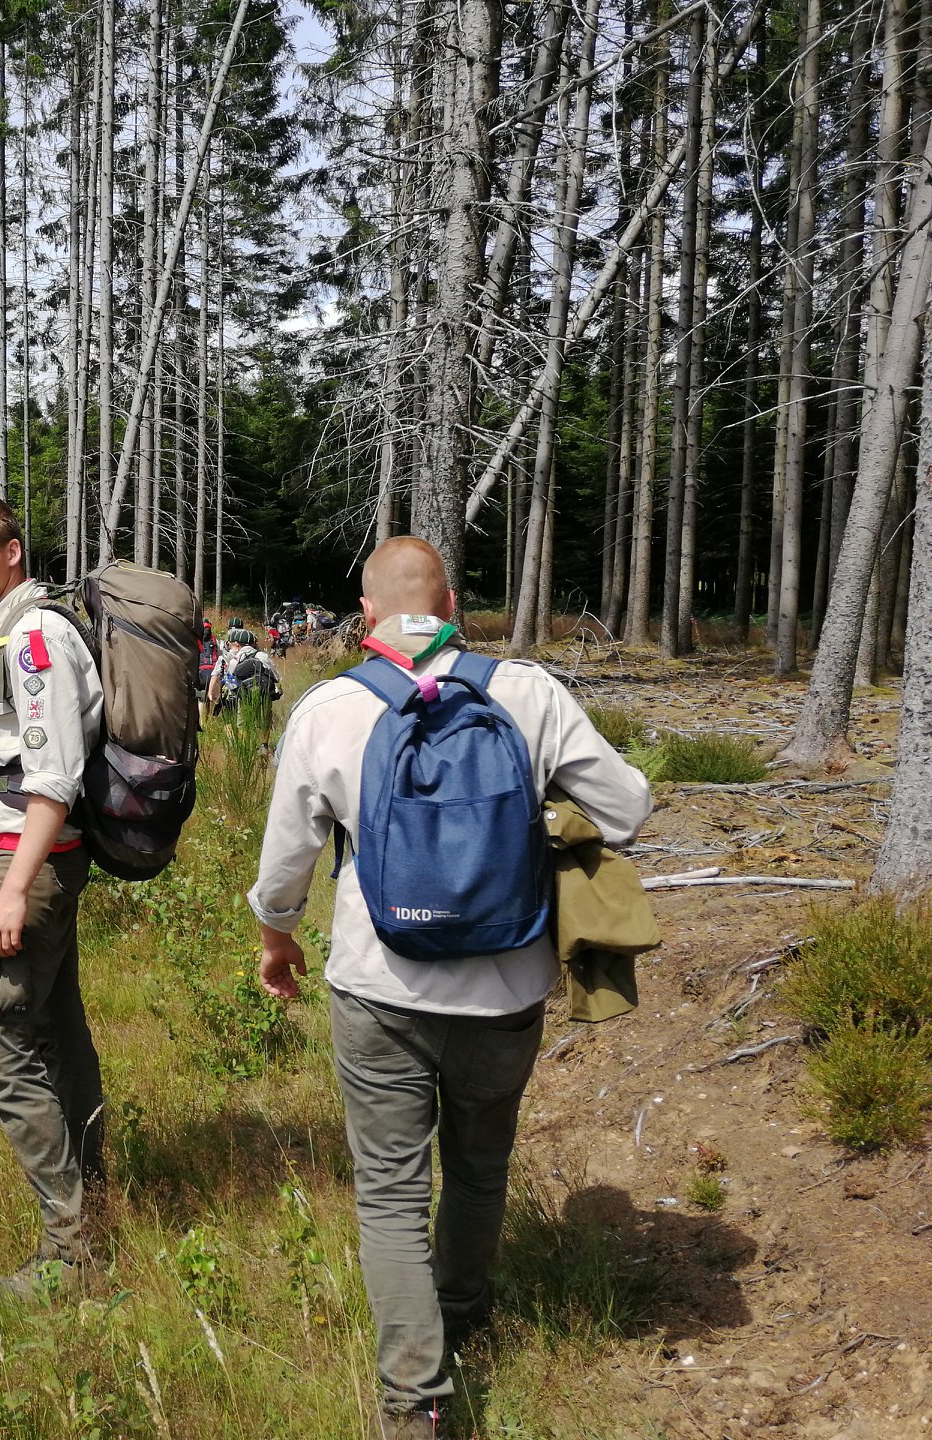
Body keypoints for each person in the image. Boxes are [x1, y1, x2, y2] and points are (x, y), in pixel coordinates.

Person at [247, 536, 651, 1440]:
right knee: (479, 1165)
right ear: (456, 606)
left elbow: (285, 867)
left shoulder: (331, 707)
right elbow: (627, 808)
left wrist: (277, 939)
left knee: (389, 1191)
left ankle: (414, 1402)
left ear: (366, 616)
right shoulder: (530, 693)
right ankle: (464, 1312)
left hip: (377, 985)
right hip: (506, 987)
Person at [0, 494, 106, 1294]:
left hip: (25, 859)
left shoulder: (34, 636)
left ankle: (71, 1251)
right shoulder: (14, 630)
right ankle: (94, 1205)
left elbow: (52, 778)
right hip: (22, 853)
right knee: (54, 1026)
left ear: (12, 552)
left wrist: (15, 891)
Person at [207, 628, 281, 717]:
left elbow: (230, 682)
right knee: (264, 723)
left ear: (237, 643)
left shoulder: (232, 658)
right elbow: (276, 677)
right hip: (264, 696)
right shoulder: (263, 656)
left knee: (242, 726)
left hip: (242, 698)